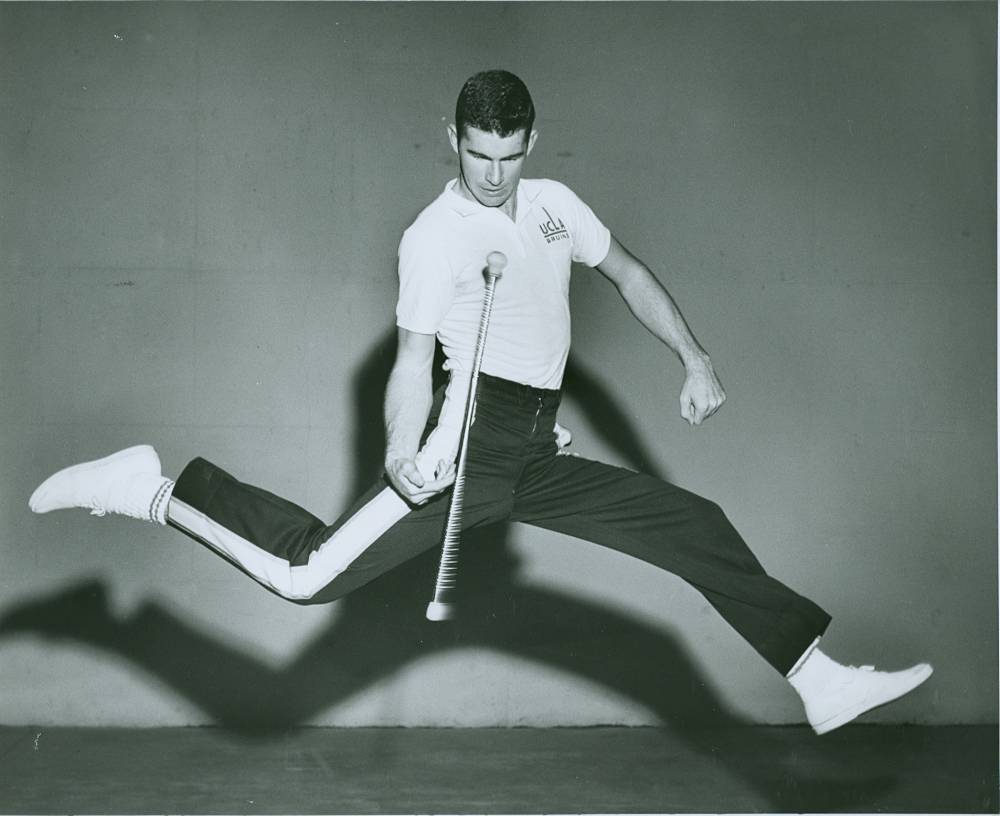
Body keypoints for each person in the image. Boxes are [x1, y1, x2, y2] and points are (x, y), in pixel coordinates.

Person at [29, 69, 931, 735]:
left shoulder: (553, 206)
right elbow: (412, 361)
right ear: (451, 138)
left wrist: (694, 359)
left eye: (508, 156)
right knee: (306, 578)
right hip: (467, 441)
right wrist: (399, 446)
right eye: (477, 154)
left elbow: (626, 272)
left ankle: (816, 677)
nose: (493, 174)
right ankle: (150, 488)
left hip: (536, 442)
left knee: (694, 521)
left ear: (530, 144)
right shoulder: (434, 238)